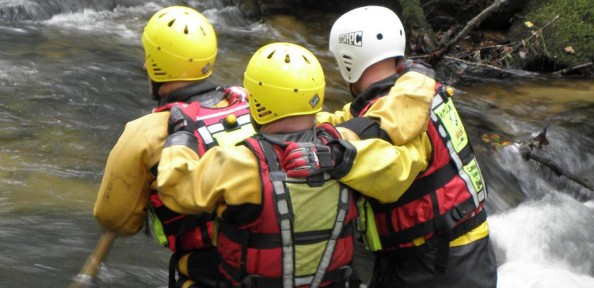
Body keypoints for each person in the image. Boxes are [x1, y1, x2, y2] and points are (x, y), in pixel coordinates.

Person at [156, 42, 415, 288]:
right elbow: (399, 173)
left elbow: (174, 189)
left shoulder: (235, 163)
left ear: (256, 101)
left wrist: (182, 134)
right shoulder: (347, 150)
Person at [317, 5, 498, 288]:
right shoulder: (412, 91)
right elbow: (355, 121)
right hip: (458, 249)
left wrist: (332, 154)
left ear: (348, 59)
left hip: (436, 263)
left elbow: (389, 171)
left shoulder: (402, 110)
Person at [92, 6, 257, 288]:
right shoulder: (251, 103)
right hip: (277, 267)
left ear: (157, 63)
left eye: (149, 58)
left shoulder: (146, 132)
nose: (145, 66)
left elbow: (116, 219)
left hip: (207, 276)